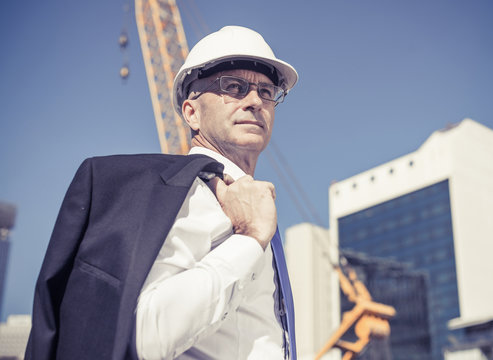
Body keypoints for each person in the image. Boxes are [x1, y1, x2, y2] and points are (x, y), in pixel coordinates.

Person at [25, 25, 298, 360]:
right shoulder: (190, 194)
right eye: (234, 87)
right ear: (191, 112)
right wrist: (249, 240)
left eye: (267, 91)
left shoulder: (252, 202)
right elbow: (140, 335)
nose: (255, 101)